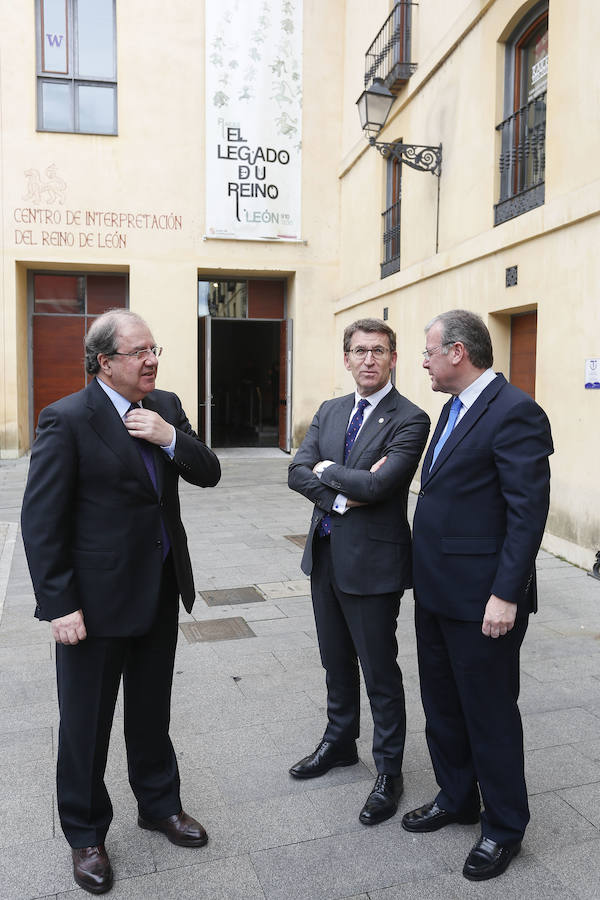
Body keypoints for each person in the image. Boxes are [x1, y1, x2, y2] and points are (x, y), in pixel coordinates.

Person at [21, 309, 221, 895]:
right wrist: (59, 604)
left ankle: (159, 805)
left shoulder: (167, 406)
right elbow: (42, 521)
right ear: (104, 361)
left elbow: (207, 472)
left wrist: (171, 437)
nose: (152, 359)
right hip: (94, 603)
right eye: (139, 351)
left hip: (158, 588)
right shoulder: (67, 419)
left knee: (151, 711)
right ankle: (85, 834)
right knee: (86, 723)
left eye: (155, 348)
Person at [402, 309, 553, 881]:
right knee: (442, 708)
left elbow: (526, 513)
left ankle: (504, 827)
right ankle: (457, 797)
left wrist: (506, 595)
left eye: (429, 351)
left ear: (458, 352)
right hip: (437, 593)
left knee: (488, 714)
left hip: (484, 601)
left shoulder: (516, 412)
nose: (424, 362)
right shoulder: (450, 409)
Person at [288, 318, 430, 826]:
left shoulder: (410, 419)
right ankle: (340, 742)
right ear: (346, 359)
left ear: (393, 358)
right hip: (325, 557)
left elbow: (383, 485)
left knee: (379, 670)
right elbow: (296, 472)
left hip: (374, 565)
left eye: (378, 351)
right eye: (359, 351)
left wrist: (330, 474)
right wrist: (343, 490)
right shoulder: (330, 411)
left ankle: (389, 770)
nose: (368, 360)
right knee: (334, 661)